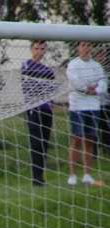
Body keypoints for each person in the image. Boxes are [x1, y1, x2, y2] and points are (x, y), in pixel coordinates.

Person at [66, 41, 107, 186]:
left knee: (89, 140)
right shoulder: (73, 65)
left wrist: (96, 90)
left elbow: (103, 83)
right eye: (83, 45)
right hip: (77, 106)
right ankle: (72, 175)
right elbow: (76, 82)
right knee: (77, 139)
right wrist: (86, 88)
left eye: (89, 45)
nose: (86, 48)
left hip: (93, 106)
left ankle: (87, 175)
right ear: (78, 47)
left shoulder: (96, 66)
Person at [21, 40, 56, 187]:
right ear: (31, 49)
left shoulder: (47, 69)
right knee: (36, 143)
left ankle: (40, 176)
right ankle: (36, 178)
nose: (39, 51)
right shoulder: (26, 65)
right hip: (33, 110)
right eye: (37, 48)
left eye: (42, 48)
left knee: (44, 144)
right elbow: (30, 82)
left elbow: (51, 85)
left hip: (46, 110)